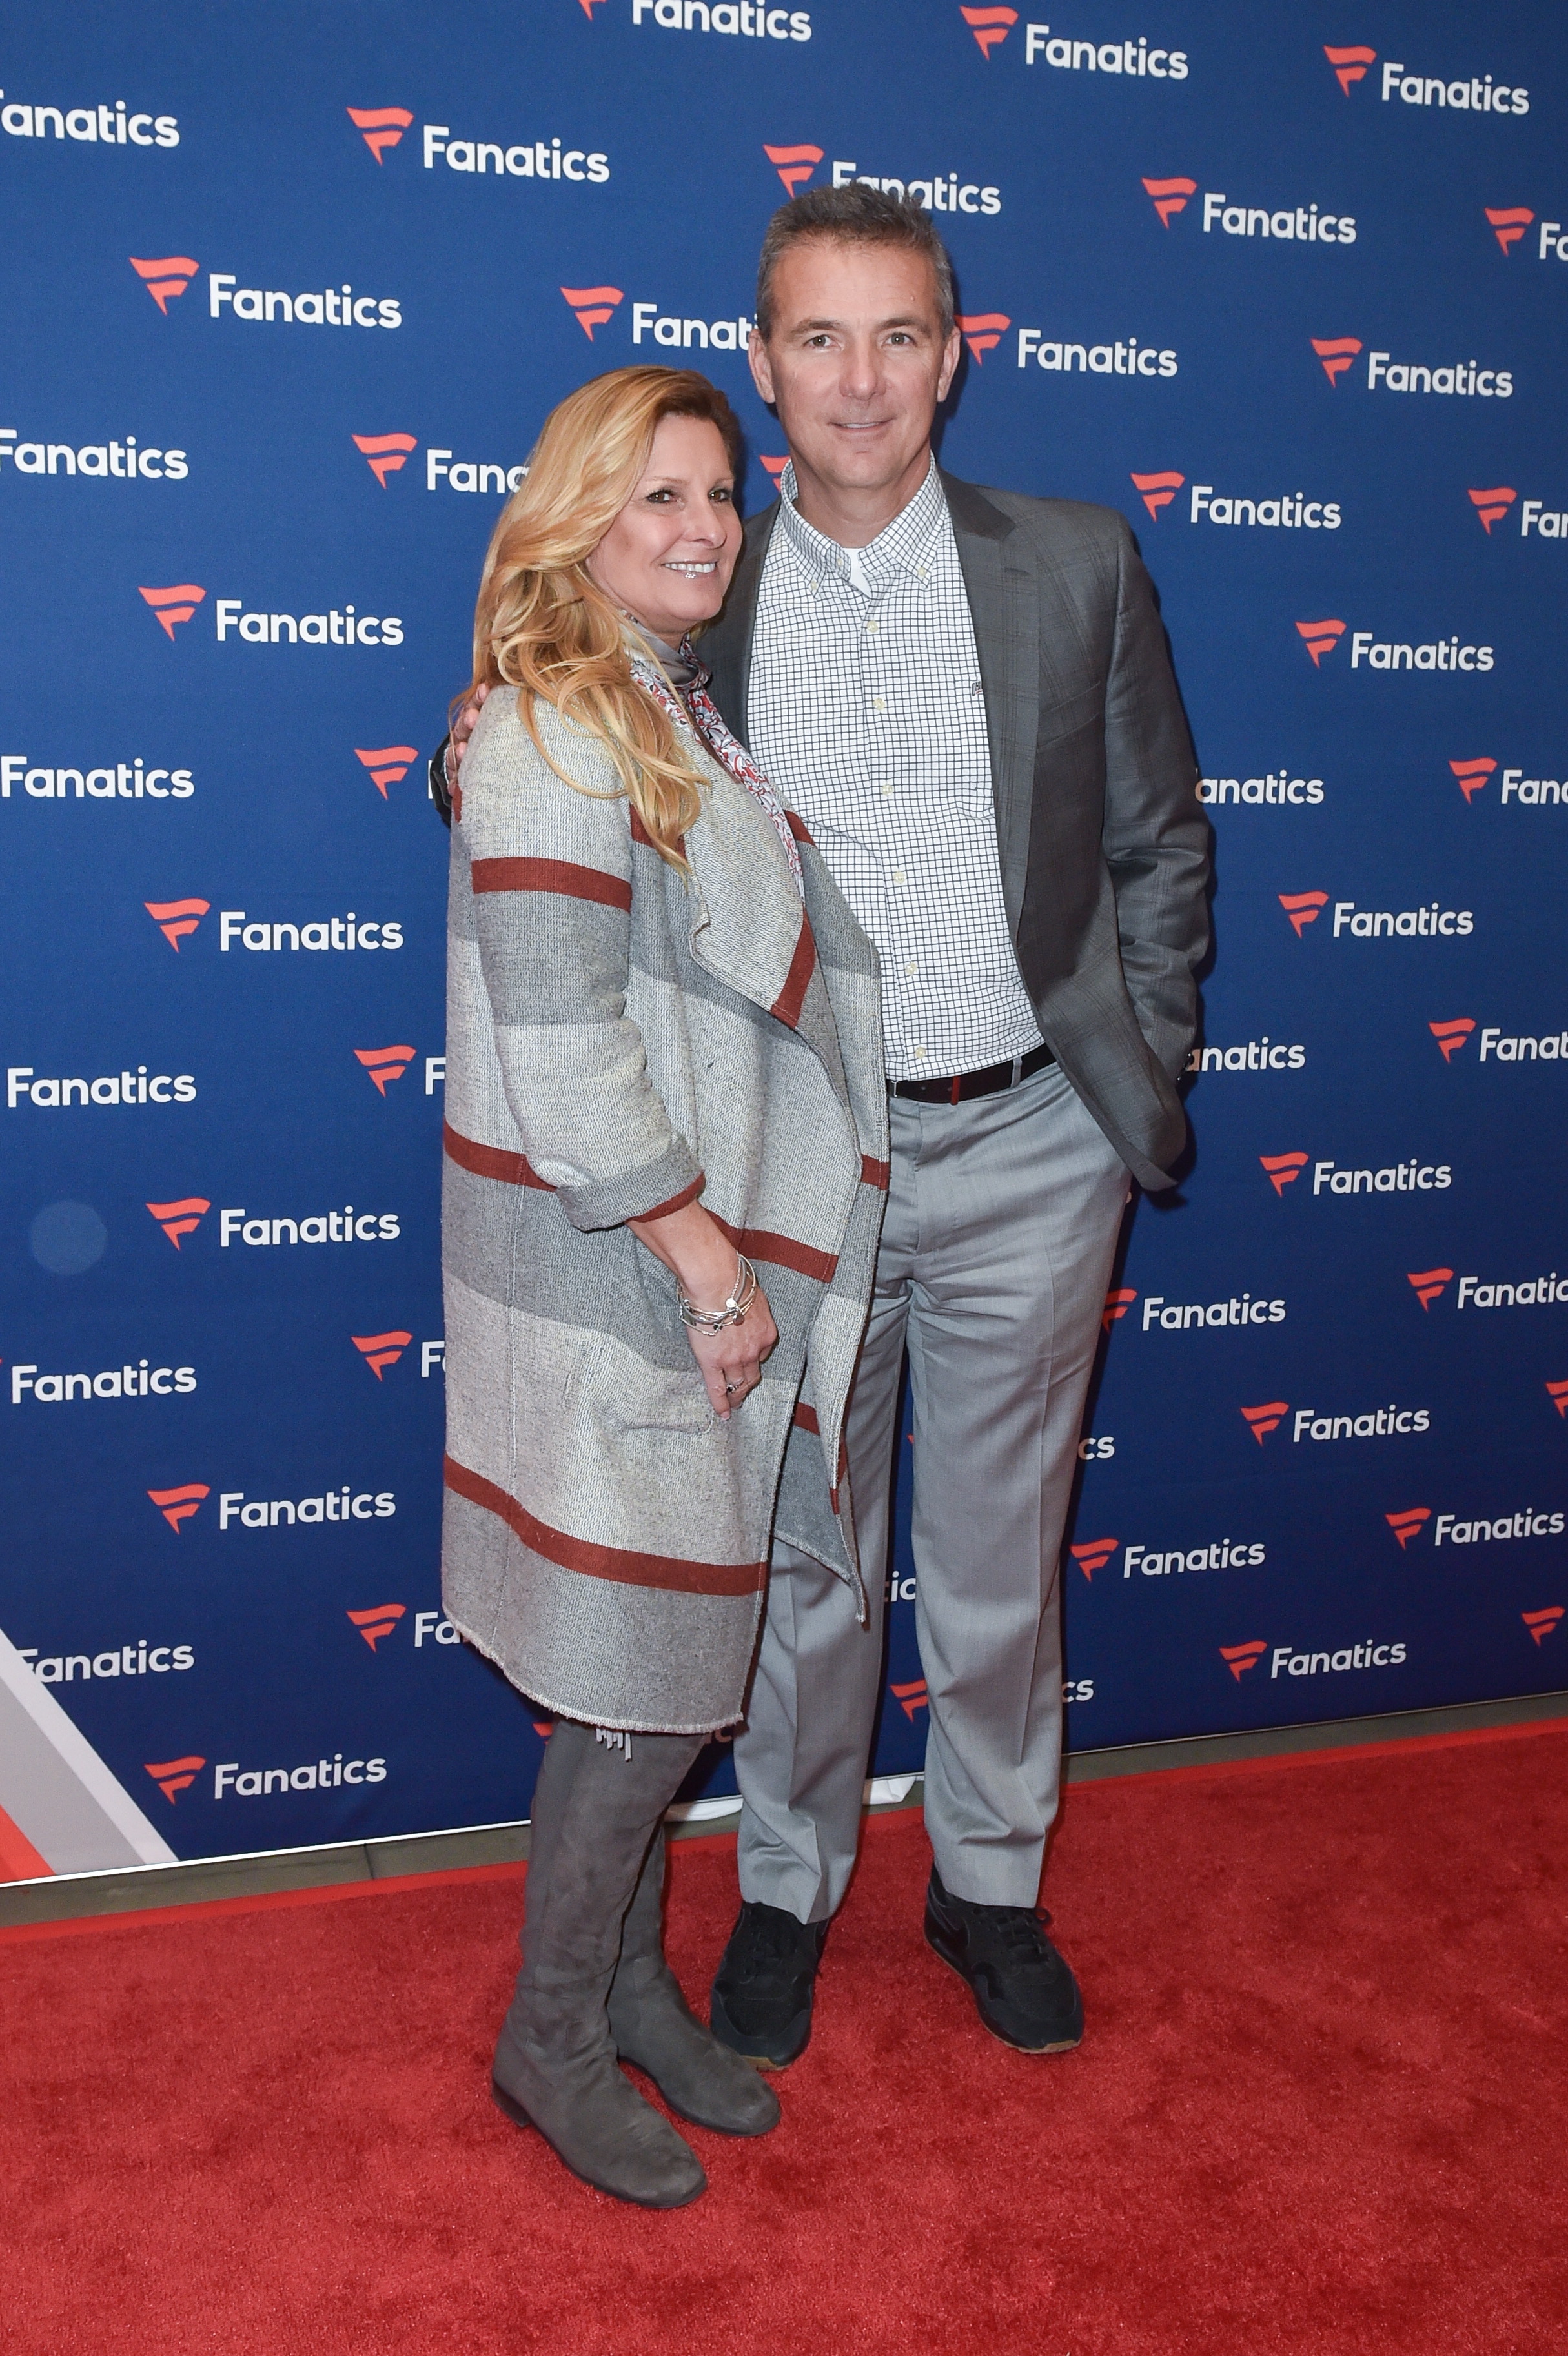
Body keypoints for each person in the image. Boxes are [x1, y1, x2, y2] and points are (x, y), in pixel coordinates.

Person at [440, 185, 1209, 2076]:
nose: (858, 379)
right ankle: (784, 1888)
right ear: (766, 362)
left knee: (999, 1553)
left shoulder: (1077, 562)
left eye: (897, 335)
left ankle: (992, 1879)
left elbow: (1156, 840)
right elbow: (563, 737)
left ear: (956, 354)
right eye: (815, 338)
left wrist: (1136, 1074)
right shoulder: (709, 571)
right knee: (798, 1550)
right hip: (800, 1178)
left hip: (1032, 1141)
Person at [440, 362, 887, 2208]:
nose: (704, 524)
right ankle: (549, 2030)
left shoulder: (654, 707)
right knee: (640, 1678)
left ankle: (624, 1981)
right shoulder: (559, 721)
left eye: (717, 491)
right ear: (576, 522)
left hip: (660, 1259)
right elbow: (565, 1048)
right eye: (656, 498)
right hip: (631, 1263)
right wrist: (707, 1264)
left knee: (667, 1667)